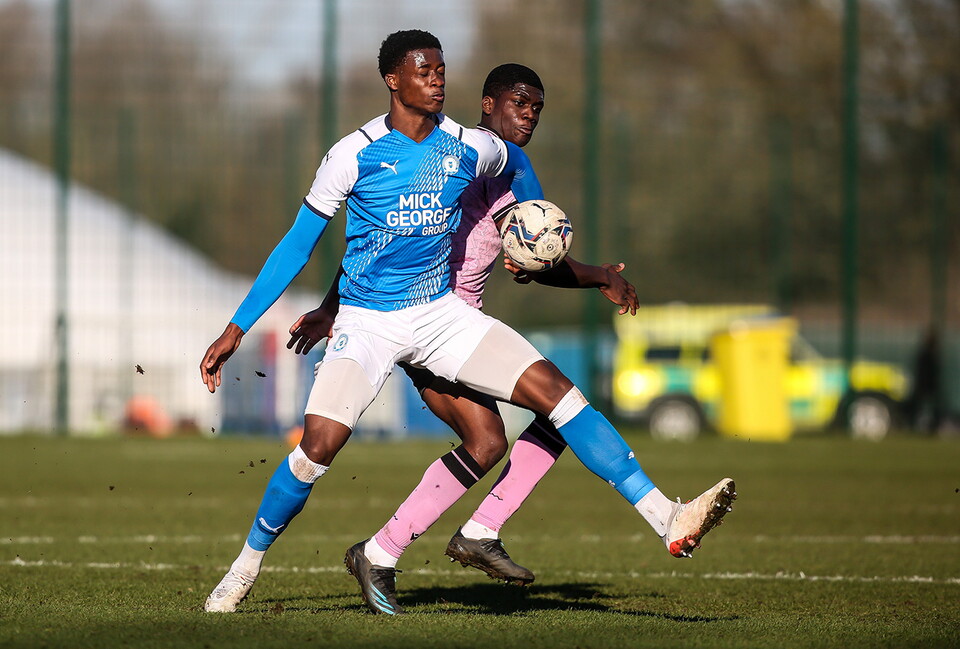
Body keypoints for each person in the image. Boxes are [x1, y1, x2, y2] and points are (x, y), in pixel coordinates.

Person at [200, 30, 736, 616]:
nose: (436, 78)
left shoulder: (475, 149)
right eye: (423, 69)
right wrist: (238, 328)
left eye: (441, 68)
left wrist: (532, 244)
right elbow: (297, 246)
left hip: (441, 316)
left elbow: (519, 197)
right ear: (392, 79)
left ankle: (667, 519)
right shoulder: (352, 154)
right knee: (316, 451)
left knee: (556, 395)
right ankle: (244, 568)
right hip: (368, 324)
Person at [287, 63, 643, 588]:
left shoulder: (504, 170)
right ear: (487, 105)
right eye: (519, 104)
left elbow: (530, 255)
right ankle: (438, 540)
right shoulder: (454, 161)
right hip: (424, 328)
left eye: (537, 108)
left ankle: (409, 547)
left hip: (459, 329)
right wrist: (332, 306)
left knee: (505, 435)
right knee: (529, 418)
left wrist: (571, 270)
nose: (528, 116)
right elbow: (381, 245)